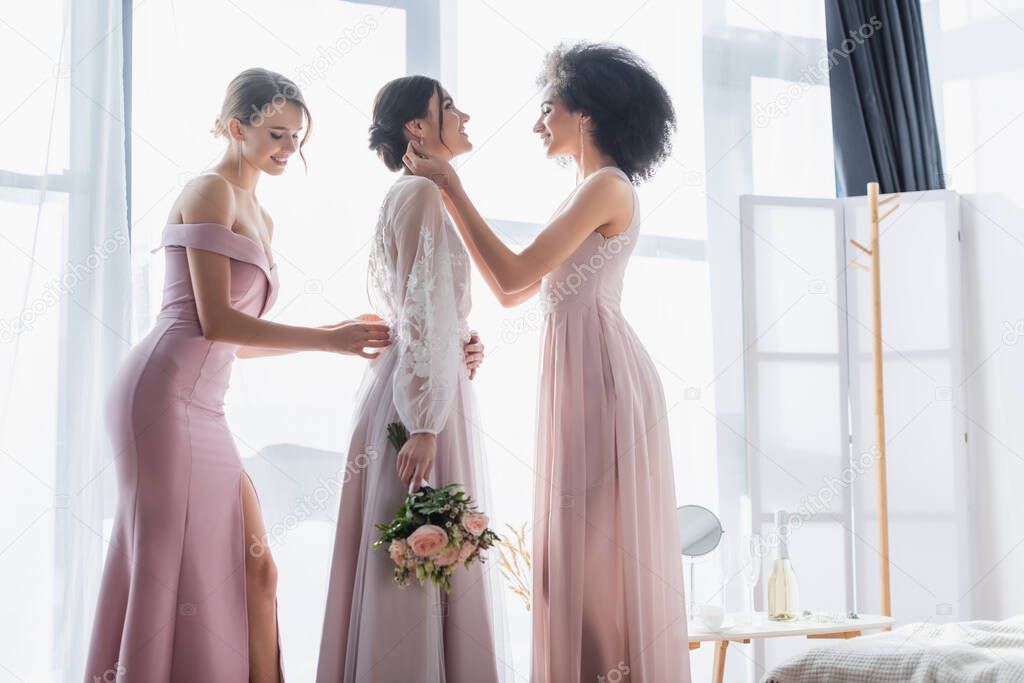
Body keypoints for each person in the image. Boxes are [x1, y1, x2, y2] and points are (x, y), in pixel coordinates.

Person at [82, 67, 482, 683]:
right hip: (161, 398)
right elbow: (213, 321)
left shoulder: (260, 216)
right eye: (274, 134)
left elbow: (234, 346)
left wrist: (342, 339)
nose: (285, 150)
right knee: (166, 567)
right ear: (235, 127)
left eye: (295, 139)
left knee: (259, 569)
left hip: (205, 405)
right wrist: (328, 340)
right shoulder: (211, 189)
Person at [404, 43, 692, 682]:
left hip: (603, 376)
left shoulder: (607, 186)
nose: (538, 125)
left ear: (585, 115)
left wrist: (450, 185)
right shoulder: (586, 190)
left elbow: (512, 273)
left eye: (548, 110)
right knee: (570, 569)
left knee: (585, 571)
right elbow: (511, 291)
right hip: (579, 370)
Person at [316, 75, 507, 683]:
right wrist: (425, 420)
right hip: (417, 404)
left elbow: (424, 310)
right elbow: (421, 309)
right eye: (450, 106)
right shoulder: (421, 195)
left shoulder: (413, 193)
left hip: (418, 385)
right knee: (417, 555)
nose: (465, 113)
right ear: (417, 127)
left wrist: (460, 342)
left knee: (420, 556)